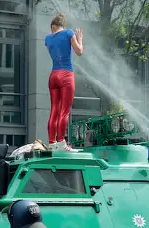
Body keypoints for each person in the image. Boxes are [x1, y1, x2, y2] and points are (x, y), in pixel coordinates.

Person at [44, 13, 84, 152]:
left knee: (54, 109)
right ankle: (61, 143)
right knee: (64, 111)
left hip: (53, 75)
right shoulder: (68, 33)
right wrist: (79, 39)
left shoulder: (48, 38)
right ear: (62, 25)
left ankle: (52, 142)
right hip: (66, 74)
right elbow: (79, 51)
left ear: (53, 26)